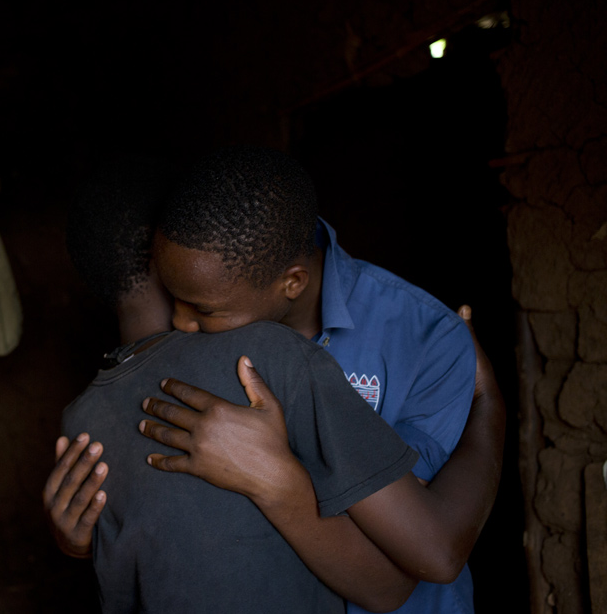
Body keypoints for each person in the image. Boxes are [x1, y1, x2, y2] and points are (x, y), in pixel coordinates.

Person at [45, 155, 423, 613]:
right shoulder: (266, 358)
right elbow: (394, 585)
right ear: (168, 246)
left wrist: (78, 547)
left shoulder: (81, 424)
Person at [136, 146, 504, 613]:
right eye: (175, 300)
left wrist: (274, 477)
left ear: (292, 282)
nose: (180, 323)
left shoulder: (426, 338)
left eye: (203, 309)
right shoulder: (206, 335)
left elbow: (420, 548)